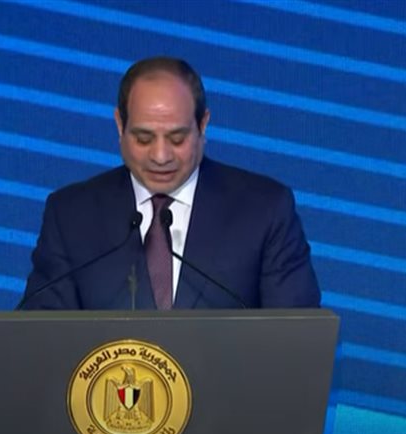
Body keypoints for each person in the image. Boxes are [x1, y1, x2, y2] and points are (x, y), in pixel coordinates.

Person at [20, 56, 320, 309]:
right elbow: (40, 338)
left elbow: (296, 340)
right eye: (144, 138)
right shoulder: (71, 215)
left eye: (177, 138)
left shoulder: (264, 210)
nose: (161, 156)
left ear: (203, 125)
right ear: (120, 125)